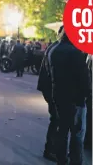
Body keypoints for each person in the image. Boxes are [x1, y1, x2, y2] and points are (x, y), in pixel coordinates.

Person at [44, 28, 90, 165]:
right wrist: (86, 94)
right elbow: (83, 77)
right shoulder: (76, 53)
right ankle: (75, 161)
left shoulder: (54, 50)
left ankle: (61, 159)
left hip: (58, 94)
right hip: (75, 98)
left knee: (62, 130)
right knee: (77, 133)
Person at [37, 26, 64, 162]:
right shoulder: (56, 49)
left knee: (56, 119)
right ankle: (50, 149)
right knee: (56, 120)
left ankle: (52, 149)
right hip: (52, 90)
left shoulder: (53, 47)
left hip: (50, 89)